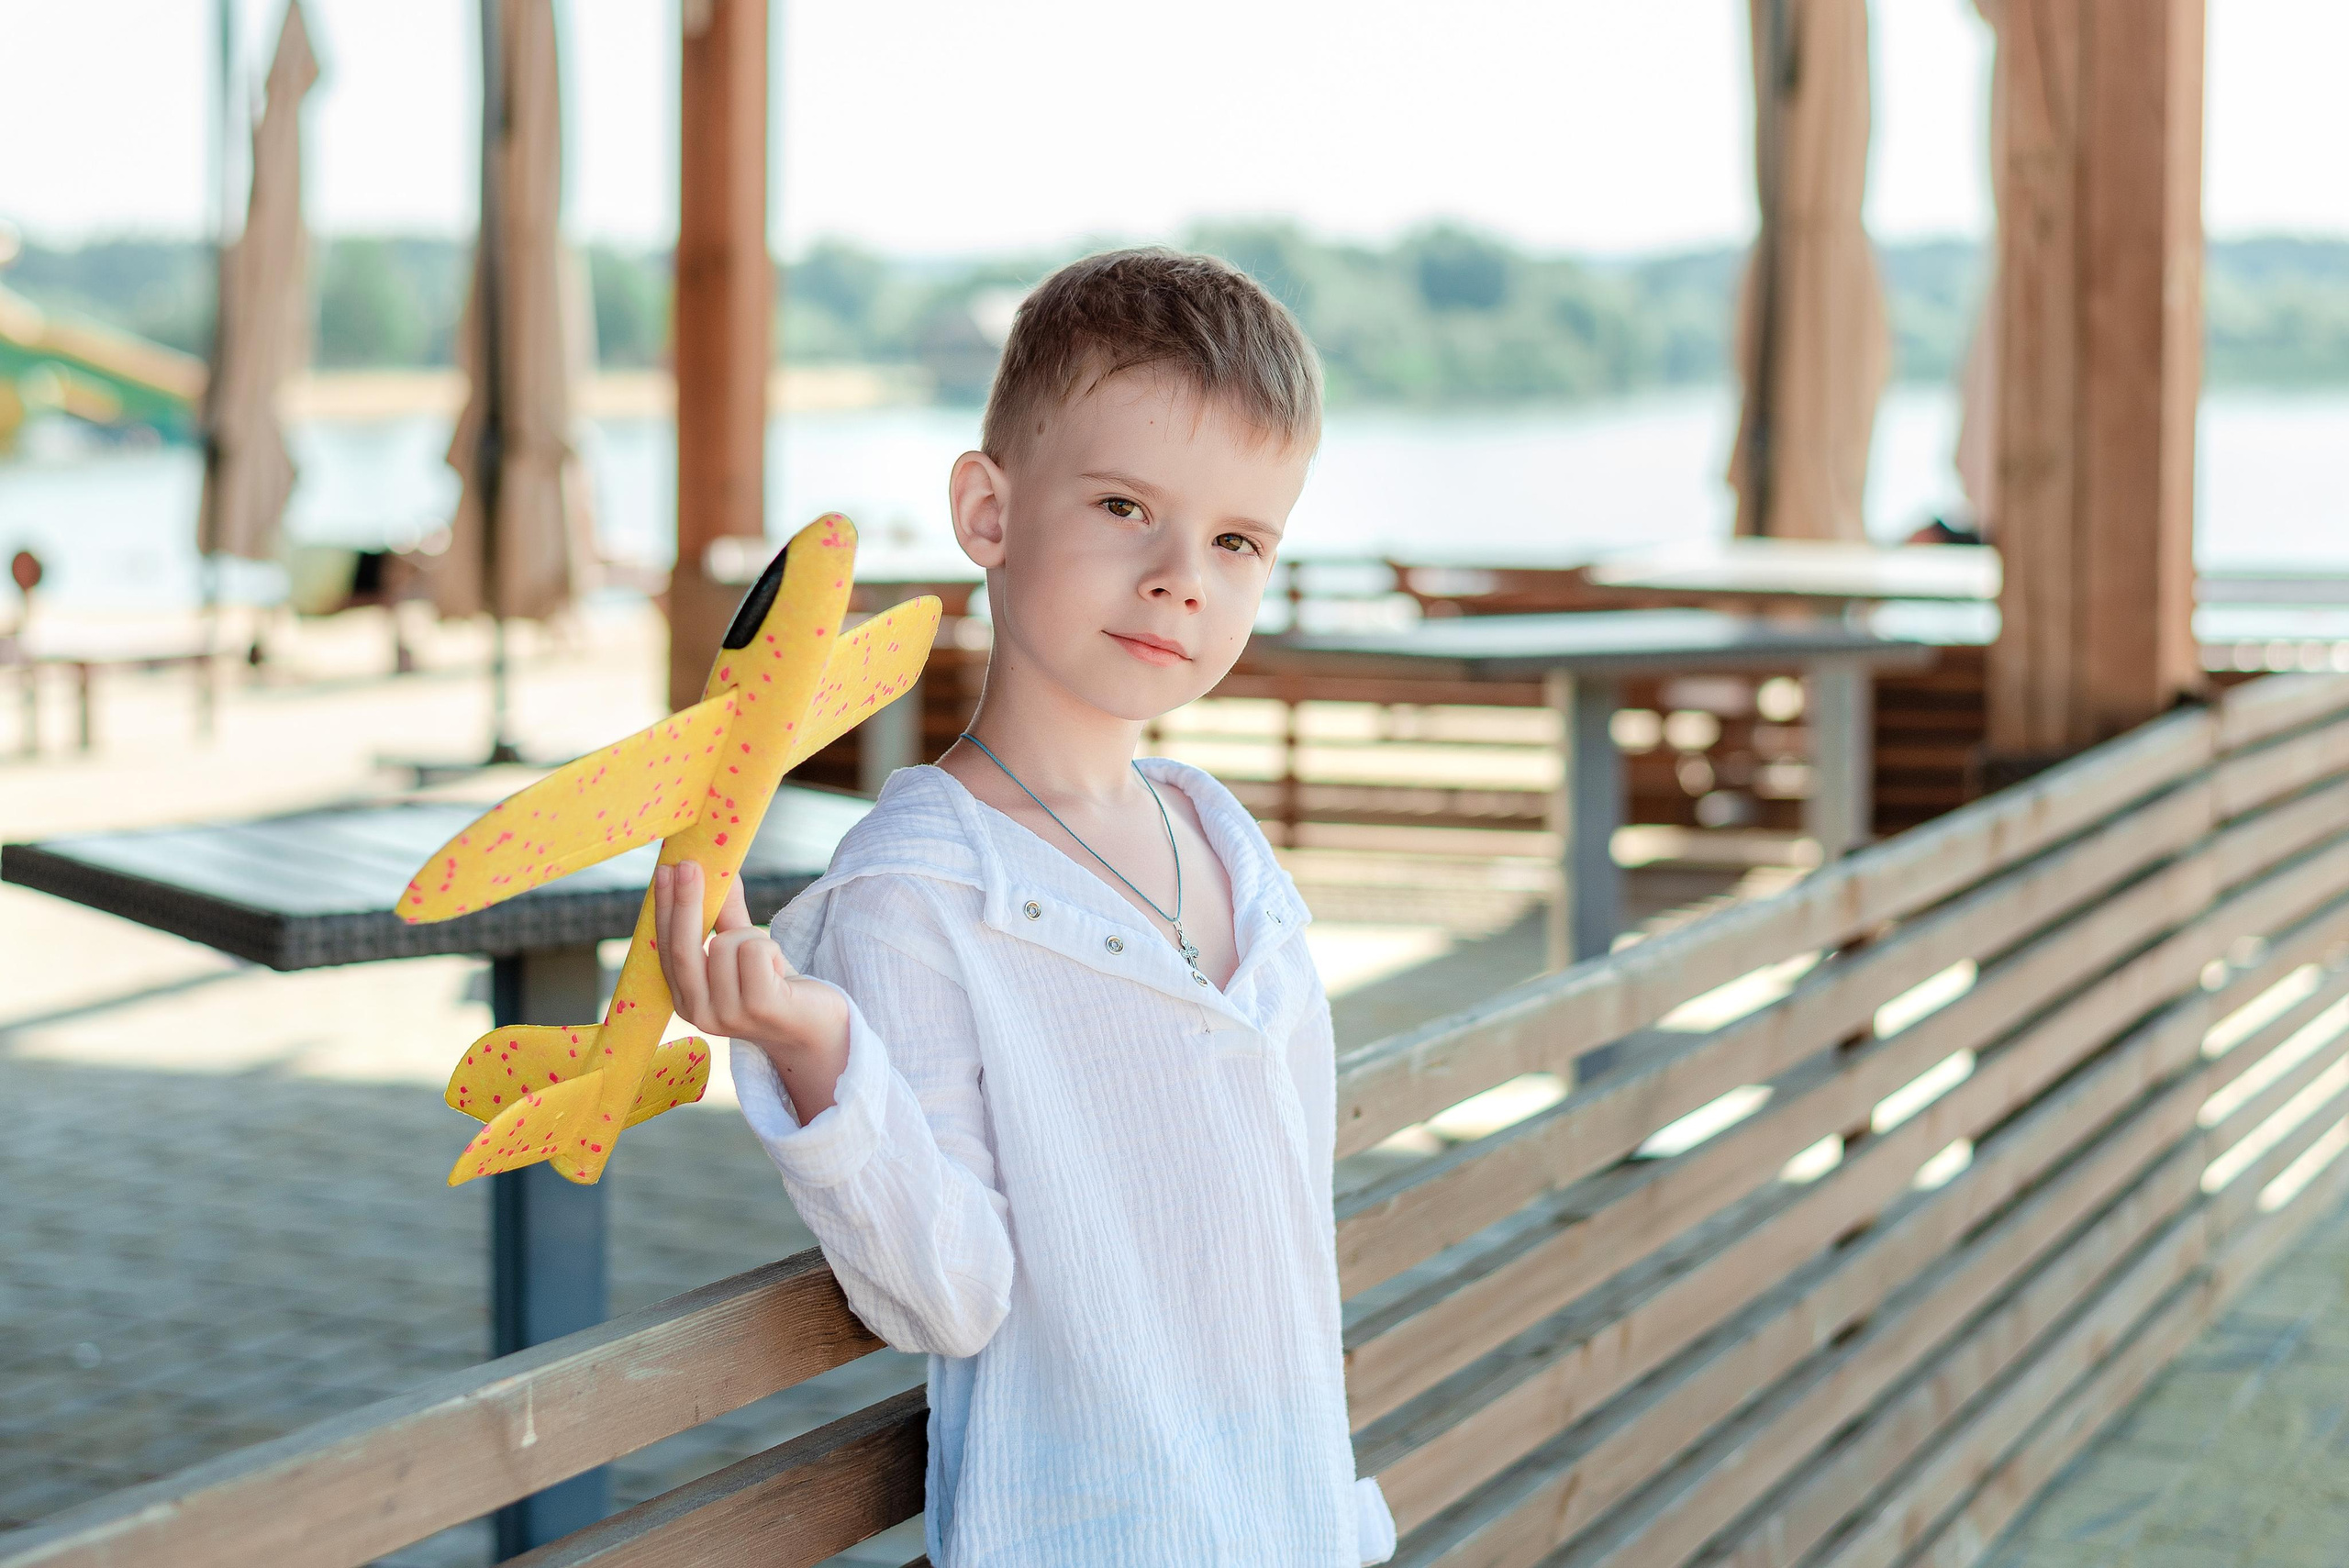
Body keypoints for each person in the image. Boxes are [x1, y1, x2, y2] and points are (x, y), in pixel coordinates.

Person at [653, 248, 1396, 1567]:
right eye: (1125, 506)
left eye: (1237, 540)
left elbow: (1281, 1242)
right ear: (988, 512)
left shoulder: (1227, 848)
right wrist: (820, 1052)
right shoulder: (921, 890)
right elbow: (949, 1292)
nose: (1182, 575)